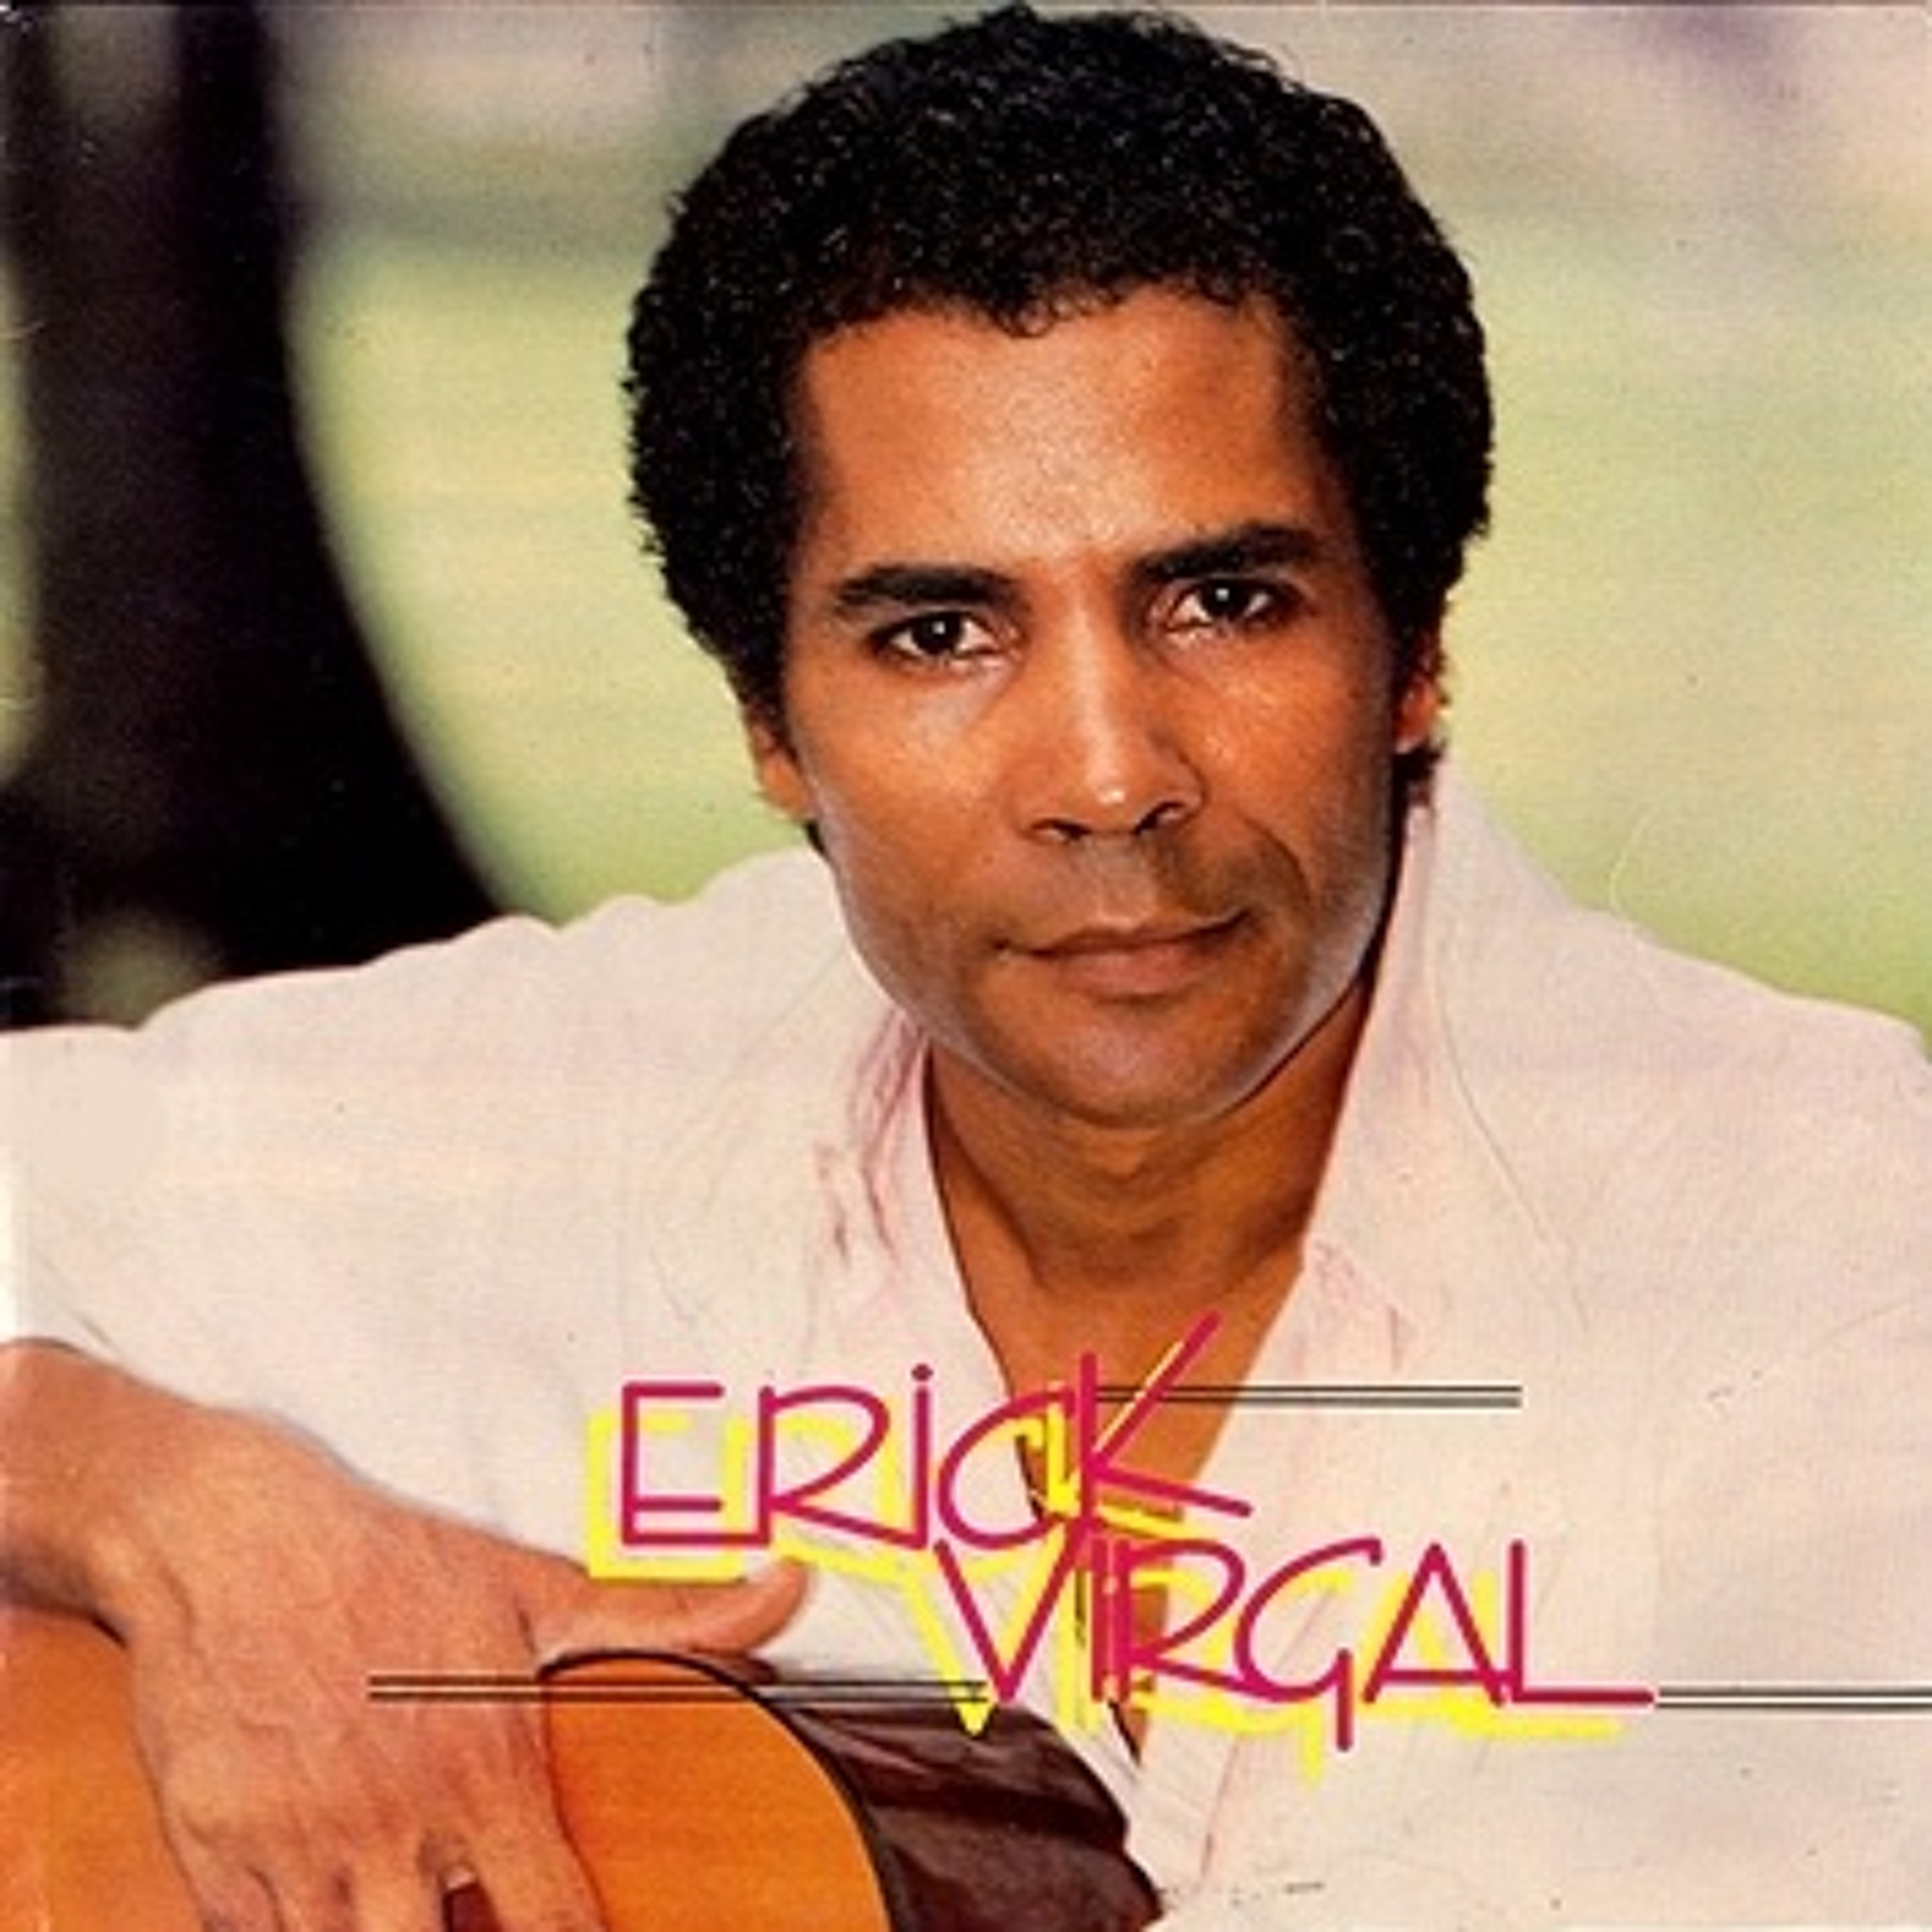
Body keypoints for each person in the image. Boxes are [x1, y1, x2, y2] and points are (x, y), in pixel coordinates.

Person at [3, 5, 1927, 1926]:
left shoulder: (1829, 1246)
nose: (1107, 776)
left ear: (1412, 651)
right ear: (771, 721)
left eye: (1223, 600)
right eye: (939, 635)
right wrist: (164, 1509)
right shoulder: (575, 1095)